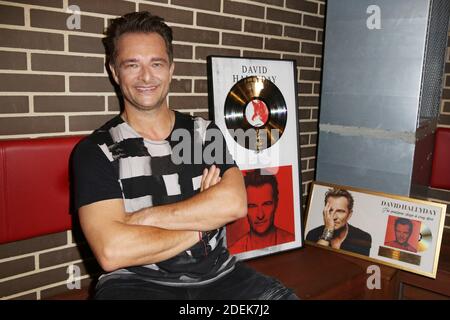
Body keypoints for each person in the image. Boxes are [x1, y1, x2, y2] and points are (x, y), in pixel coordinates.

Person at [71, 11, 297, 300]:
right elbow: (113, 251)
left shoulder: (203, 133)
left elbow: (235, 204)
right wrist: (204, 222)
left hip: (221, 275)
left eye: (156, 63)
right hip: (136, 282)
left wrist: (139, 219)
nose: (146, 76)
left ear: (171, 69)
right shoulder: (96, 151)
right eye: (132, 65)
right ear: (114, 72)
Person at [229, 169, 295, 253]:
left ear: (276, 203)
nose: (260, 215)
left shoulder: (291, 241)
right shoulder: (234, 251)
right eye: (252, 206)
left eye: (266, 204)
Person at [306, 188, 372, 256]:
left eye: (340, 211)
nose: (334, 217)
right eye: (330, 210)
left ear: (349, 215)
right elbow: (313, 261)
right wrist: (328, 231)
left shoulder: (363, 237)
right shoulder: (312, 234)